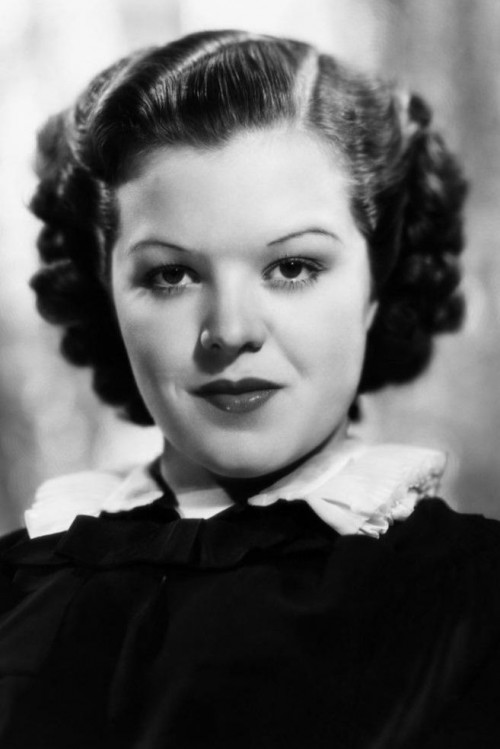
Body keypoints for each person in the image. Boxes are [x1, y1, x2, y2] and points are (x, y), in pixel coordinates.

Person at [0, 28, 497, 749]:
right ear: (107, 293)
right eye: (171, 274)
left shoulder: (478, 600)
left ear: (375, 288)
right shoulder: (17, 588)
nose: (230, 330)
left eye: (292, 267)